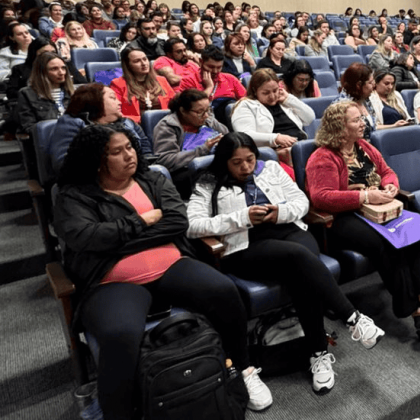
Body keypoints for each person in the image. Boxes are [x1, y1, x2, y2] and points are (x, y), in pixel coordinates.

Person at [53, 124, 272, 417]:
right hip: (112, 281)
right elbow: (86, 237)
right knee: (119, 334)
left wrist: (117, 239)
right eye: (117, 152)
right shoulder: (75, 195)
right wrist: (144, 221)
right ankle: (119, 412)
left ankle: (242, 368)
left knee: (224, 291)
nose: (129, 155)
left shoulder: (152, 179)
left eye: (129, 147)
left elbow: (176, 222)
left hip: (170, 264)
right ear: (96, 159)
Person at [188, 133, 383, 394]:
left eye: (250, 159)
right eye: (237, 163)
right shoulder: (208, 182)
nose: (246, 167)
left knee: (302, 272)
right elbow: (193, 226)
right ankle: (352, 319)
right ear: (224, 161)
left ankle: (319, 354)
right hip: (247, 245)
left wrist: (279, 212)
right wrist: (242, 217)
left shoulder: (270, 168)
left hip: (287, 229)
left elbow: (301, 203)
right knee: (301, 260)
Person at [306, 101, 420, 339]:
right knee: (384, 240)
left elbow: (387, 171)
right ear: (339, 127)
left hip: (379, 207)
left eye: (361, 118)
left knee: (415, 230)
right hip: (343, 218)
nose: (363, 123)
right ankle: (408, 305)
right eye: (355, 120)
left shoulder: (364, 146)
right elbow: (321, 197)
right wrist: (365, 195)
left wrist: (390, 186)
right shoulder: (323, 156)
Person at [152, 89, 228, 198]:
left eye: (208, 110)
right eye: (200, 112)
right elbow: (165, 160)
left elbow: (227, 134)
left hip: (212, 164)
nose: (206, 115)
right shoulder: (167, 126)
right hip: (183, 172)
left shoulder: (207, 118)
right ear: (183, 111)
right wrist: (203, 149)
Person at [230, 69, 315, 163]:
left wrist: (289, 98)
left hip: (299, 146)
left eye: (275, 91)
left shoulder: (284, 102)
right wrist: (275, 138)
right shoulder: (246, 105)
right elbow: (245, 135)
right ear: (255, 91)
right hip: (274, 153)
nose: (272, 96)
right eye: (266, 93)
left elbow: (310, 118)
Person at [110, 47, 175, 123]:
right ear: (128, 65)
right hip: (137, 127)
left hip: (165, 124)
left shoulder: (161, 80)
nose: (144, 64)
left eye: (145, 59)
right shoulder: (118, 84)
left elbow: (174, 104)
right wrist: (143, 120)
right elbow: (116, 113)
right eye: (137, 61)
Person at [14, 51, 74, 132]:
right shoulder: (27, 94)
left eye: (63, 68)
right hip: (47, 138)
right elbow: (29, 127)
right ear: (42, 72)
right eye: (54, 69)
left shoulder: (73, 92)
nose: (61, 72)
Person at [334, 62, 378, 139]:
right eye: (370, 83)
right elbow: (339, 137)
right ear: (359, 85)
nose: (374, 85)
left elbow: (372, 128)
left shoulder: (365, 99)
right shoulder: (341, 105)